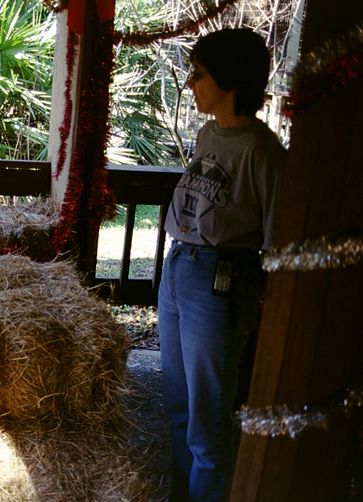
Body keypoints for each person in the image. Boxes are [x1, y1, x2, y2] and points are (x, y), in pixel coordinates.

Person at [157, 28, 286, 502]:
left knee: (207, 427)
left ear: (230, 80)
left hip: (221, 279)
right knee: (177, 408)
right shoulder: (209, 132)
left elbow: (277, 240)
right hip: (178, 268)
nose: (190, 83)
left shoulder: (263, 152)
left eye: (199, 73)